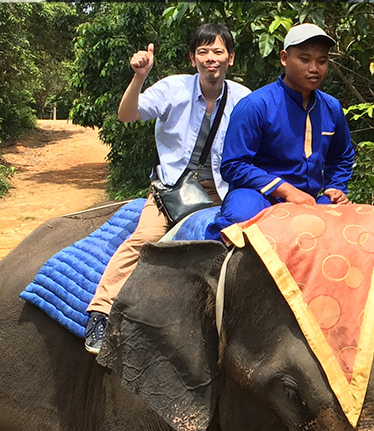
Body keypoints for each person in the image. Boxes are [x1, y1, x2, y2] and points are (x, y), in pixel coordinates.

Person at [84, 23, 250, 354]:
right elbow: (127, 114)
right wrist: (139, 77)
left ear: (230, 58)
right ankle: (100, 313)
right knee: (143, 240)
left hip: (220, 193)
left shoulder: (244, 98)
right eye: (203, 52)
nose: (210, 59)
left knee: (247, 249)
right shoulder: (172, 89)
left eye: (218, 51)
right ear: (192, 59)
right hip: (171, 191)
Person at [205, 23, 354, 240]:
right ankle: (205, 268)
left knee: (351, 227)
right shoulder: (256, 105)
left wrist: (335, 187)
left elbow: (341, 156)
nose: (314, 68)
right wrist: (285, 190)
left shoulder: (331, 108)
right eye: (305, 59)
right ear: (284, 58)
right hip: (258, 195)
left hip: (310, 198)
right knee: (239, 219)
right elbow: (233, 165)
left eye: (322, 61)